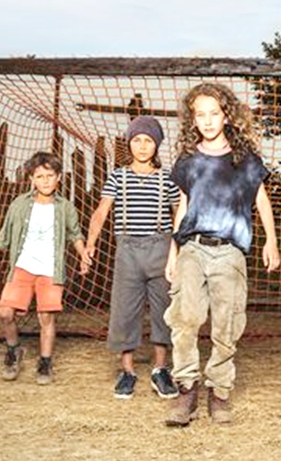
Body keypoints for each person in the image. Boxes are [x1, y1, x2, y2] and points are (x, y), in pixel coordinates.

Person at [164, 82, 280, 427]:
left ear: (226, 115)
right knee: (185, 317)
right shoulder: (189, 160)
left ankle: (220, 391)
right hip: (193, 247)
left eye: (214, 113)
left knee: (226, 324)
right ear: (192, 120)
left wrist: (271, 241)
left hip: (229, 252)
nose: (208, 120)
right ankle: (186, 388)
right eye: (200, 114)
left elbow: (261, 200)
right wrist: (173, 251)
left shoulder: (245, 160)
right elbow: (184, 205)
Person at [86, 116, 181, 400]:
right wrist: (91, 242)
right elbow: (101, 211)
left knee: (164, 308)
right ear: (129, 144)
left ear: (157, 145)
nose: (142, 146)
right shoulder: (118, 176)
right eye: (137, 140)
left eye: (148, 141)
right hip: (127, 250)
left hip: (160, 249)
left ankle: (160, 369)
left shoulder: (167, 178)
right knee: (125, 309)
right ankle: (127, 371)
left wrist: (179, 249)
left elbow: (179, 213)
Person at [0, 151, 90, 385]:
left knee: (46, 316)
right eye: (40, 176)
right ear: (31, 179)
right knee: (5, 312)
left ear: (59, 177)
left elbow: (75, 234)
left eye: (50, 176)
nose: (45, 181)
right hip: (23, 266)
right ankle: (14, 350)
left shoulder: (65, 207)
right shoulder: (20, 204)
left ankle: (45, 362)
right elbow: (4, 233)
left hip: (50, 270)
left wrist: (83, 254)